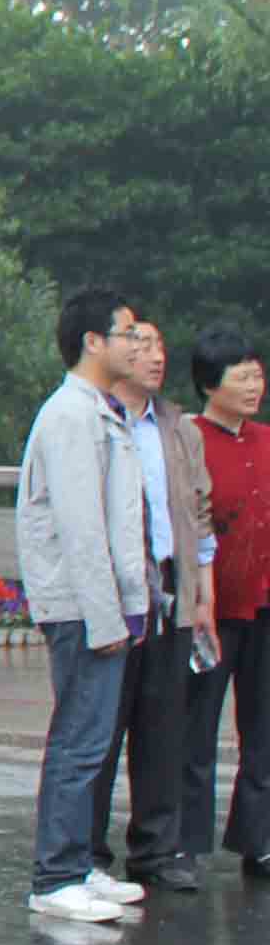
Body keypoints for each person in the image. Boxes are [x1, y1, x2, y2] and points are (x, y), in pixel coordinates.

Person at [20, 288, 156, 925]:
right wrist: (107, 619)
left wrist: (133, 603)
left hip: (100, 604)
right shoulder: (71, 416)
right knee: (78, 741)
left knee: (94, 742)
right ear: (93, 342)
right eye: (127, 333)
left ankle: (78, 865)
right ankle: (55, 876)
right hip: (80, 606)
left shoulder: (100, 411)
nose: (138, 344)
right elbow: (81, 528)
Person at [90, 318, 214, 893]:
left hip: (170, 588)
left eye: (161, 346)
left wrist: (201, 593)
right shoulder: (96, 419)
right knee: (101, 727)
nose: (156, 356)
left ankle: (156, 850)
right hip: (116, 591)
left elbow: (199, 512)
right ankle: (86, 852)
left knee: (163, 729)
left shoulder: (178, 427)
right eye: (142, 345)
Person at [188, 328, 270, 880]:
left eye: (257, 375)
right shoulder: (188, 441)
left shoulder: (266, 440)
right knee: (195, 728)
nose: (253, 386)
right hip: (210, 611)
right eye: (241, 377)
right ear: (209, 384)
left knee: (263, 729)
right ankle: (185, 845)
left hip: (264, 606)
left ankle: (258, 840)